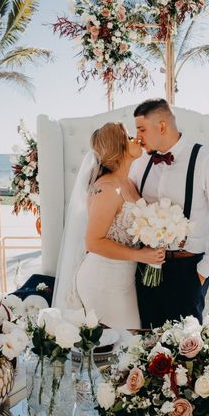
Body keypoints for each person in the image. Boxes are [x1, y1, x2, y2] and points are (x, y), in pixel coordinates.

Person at [130, 99, 209, 328]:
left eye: (142, 129)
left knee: (186, 353)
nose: (138, 137)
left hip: (187, 271)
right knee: (146, 344)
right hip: (146, 267)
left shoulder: (208, 161)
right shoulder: (141, 163)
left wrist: (202, 272)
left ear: (161, 126)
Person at [51, 122, 165, 329]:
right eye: (129, 137)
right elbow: (93, 242)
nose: (136, 139)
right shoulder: (107, 189)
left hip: (123, 280)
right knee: (117, 346)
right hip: (101, 281)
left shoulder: (128, 183)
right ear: (118, 146)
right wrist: (141, 256)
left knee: (127, 344)